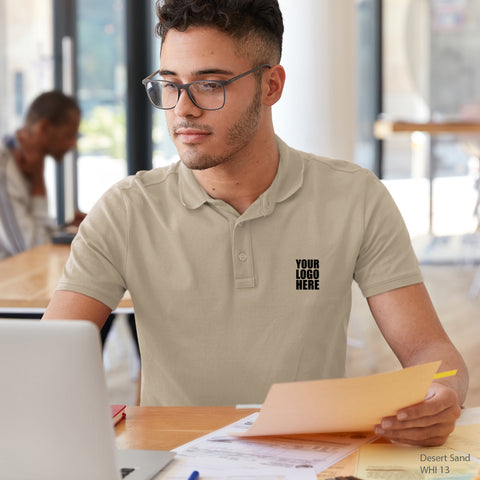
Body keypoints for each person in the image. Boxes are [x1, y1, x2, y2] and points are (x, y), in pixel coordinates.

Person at [43, 0, 468, 447]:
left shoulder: (354, 197)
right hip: (174, 463)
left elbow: (429, 351)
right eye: (170, 85)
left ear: (271, 85)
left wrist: (442, 395)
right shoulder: (124, 211)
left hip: (310, 459)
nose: (182, 110)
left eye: (209, 85)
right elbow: (46, 358)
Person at [0, 91, 83, 260]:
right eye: (69, 134)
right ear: (44, 127)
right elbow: (31, 251)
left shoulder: (30, 164)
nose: (74, 143)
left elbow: (37, 239)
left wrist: (63, 230)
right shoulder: (4, 169)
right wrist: (38, 182)